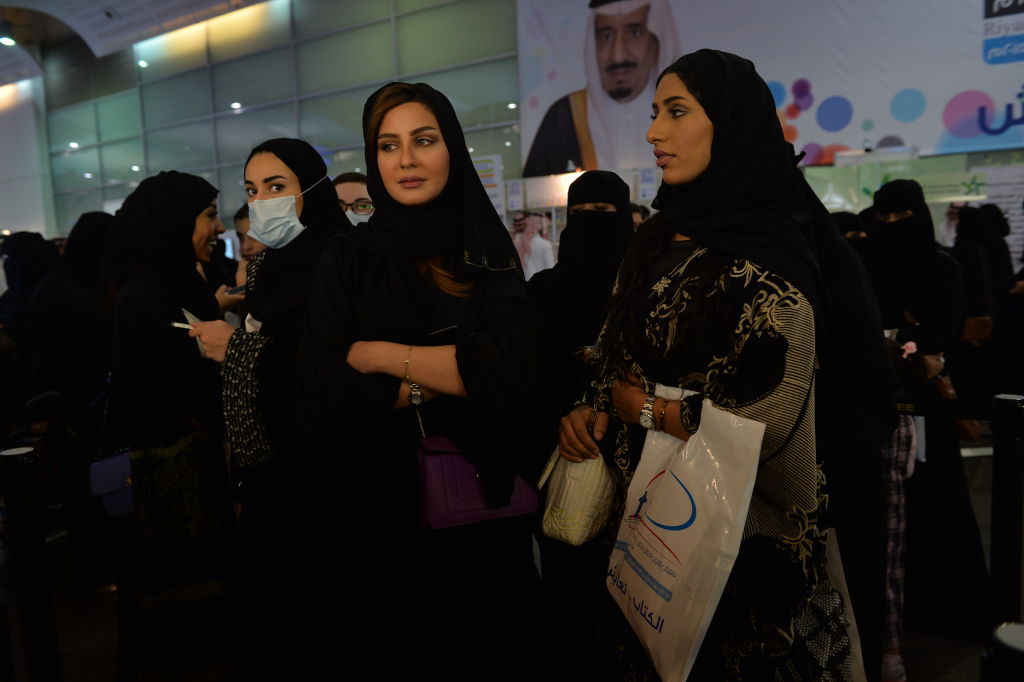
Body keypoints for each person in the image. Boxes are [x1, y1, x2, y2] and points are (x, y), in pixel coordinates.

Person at [558, 49, 893, 680]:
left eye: (677, 112)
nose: (654, 130)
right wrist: (591, 406)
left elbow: (769, 424)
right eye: (655, 112)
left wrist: (648, 410)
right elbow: (612, 351)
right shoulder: (653, 239)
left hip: (743, 550)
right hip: (644, 535)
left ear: (732, 124)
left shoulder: (780, 254)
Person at [298, 81, 545, 680]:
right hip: (379, 514)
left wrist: (382, 355)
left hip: (482, 507)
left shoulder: (484, 251)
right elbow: (322, 386)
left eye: (423, 140)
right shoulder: (347, 258)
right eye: (388, 145)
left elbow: (512, 366)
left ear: (452, 149)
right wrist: (450, 373)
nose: (405, 160)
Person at [188, 138, 346, 679]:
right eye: (253, 191)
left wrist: (237, 349)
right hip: (275, 471)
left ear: (314, 190)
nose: (263, 203)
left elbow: (328, 373)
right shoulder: (276, 267)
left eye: (277, 187)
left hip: (324, 477)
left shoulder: (338, 260)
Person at [102, 171, 234, 681]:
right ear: (174, 221)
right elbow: (177, 383)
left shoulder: (170, 282)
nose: (217, 228)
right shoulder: (145, 294)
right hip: (168, 486)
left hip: (186, 474)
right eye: (207, 216)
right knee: (180, 605)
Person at [527, 170, 633, 679]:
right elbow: (524, 374)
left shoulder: (649, 286)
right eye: (581, 215)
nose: (592, 224)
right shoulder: (541, 291)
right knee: (568, 596)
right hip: (564, 460)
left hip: (641, 468)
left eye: (605, 214)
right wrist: (558, 417)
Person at [9, 212, 116, 592]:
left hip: (97, 405)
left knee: (103, 488)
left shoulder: (96, 284)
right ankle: (92, 571)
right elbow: (41, 355)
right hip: (72, 411)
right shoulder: (56, 288)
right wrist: (49, 410)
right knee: (82, 494)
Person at [524, 0, 680, 176]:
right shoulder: (565, 116)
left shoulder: (682, 115)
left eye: (634, 33)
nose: (618, 54)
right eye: (606, 36)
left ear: (657, 39)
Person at [511, 210, 555, 279]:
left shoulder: (516, 243)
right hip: (540, 285)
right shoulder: (545, 244)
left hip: (522, 284)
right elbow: (551, 270)